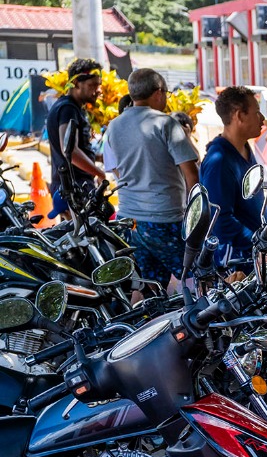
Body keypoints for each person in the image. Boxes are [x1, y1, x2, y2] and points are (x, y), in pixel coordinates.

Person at [101, 68, 198, 291]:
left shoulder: (114, 126)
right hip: (164, 218)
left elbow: (116, 169)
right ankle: (210, 325)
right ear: (157, 93)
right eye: (166, 93)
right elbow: (191, 174)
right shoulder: (166, 124)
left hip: (129, 219)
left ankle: (138, 326)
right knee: (198, 277)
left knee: (146, 286)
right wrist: (195, 216)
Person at [199, 85, 267, 268]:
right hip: (236, 259)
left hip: (257, 251)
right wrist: (259, 244)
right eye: (257, 112)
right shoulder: (219, 162)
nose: (263, 119)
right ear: (239, 115)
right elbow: (221, 221)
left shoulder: (244, 148)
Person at [46, 59, 106, 217]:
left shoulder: (69, 107)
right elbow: (70, 151)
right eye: (93, 85)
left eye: (99, 85)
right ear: (77, 83)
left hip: (70, 187)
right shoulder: (68, 109)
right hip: (74, 189)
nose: (98, 90)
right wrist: (100, 174)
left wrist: (98, 157)